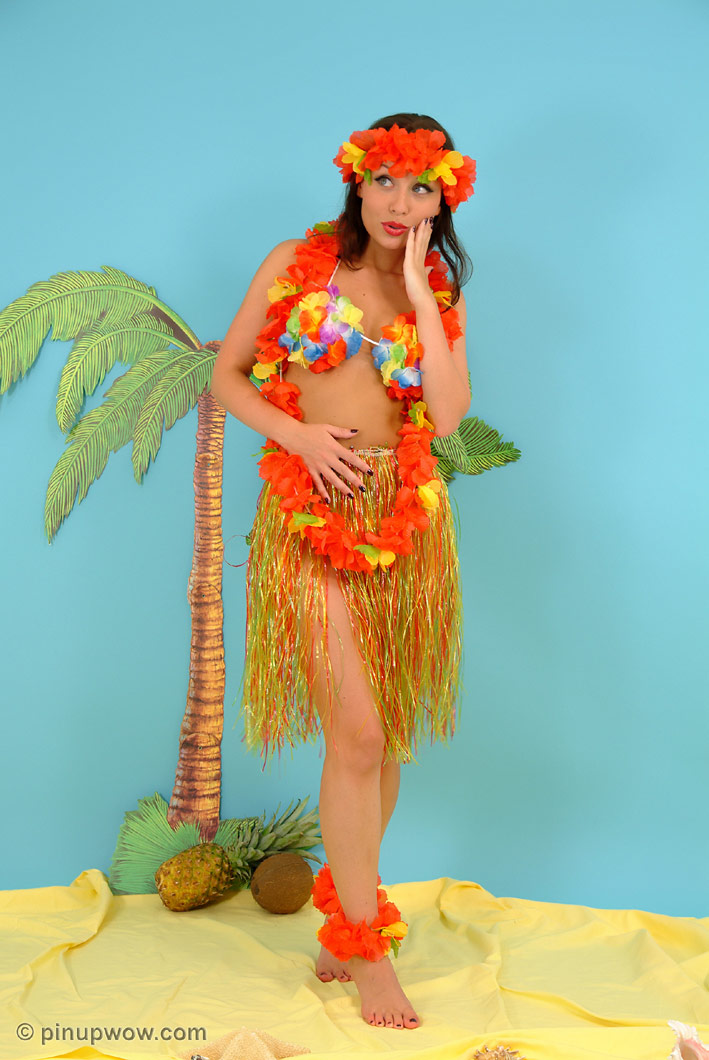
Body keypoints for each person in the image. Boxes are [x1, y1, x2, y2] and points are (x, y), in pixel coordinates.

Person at [210, 112, 475, 1031]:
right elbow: (228, 377)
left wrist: (421, 295)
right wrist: (297, 437)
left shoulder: (435, 290)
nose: (400, 203)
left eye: (421, 188)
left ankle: (342, 922)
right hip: (308, 509)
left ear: (442, 200)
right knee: (356, 734)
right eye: (386, 181)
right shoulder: (297, 264)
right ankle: (368, 954)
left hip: (402, 523)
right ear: (357, 181)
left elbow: (447, 418)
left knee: (382, 739)